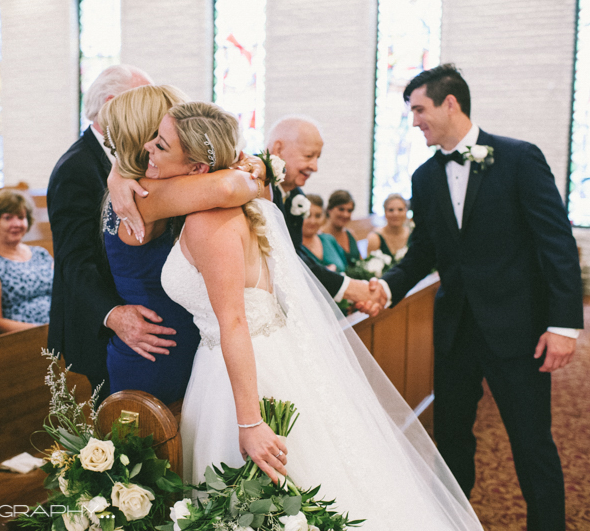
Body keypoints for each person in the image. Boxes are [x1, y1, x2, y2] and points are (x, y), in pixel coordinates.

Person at [154, 121, 483, 530]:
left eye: (160, 145)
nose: (148, 151)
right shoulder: (249, 199)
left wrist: (250, 422)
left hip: (237, 372)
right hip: (255, 357)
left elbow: (234, 321)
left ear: (197, 166)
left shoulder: (212, 220)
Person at [379, 64, 583, 531]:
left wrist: (563, 325)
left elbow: (556, 243)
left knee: (532, 444)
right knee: (451, 442)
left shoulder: (519, 158)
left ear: (450, 103)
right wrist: (388, 286)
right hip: (455, 333)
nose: (414, 121)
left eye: (419, 109)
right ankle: (451, 522)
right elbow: (423, 250)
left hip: (519, 331)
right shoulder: (424, 178)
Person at [99, 89, 264, 405]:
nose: (113, 150)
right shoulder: (144, 196)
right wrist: (258, 174)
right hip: (154, 358)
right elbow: (227, 186)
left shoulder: (151, 188)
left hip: (176, 349)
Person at [47, 64, 155, 398]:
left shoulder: (129, 158)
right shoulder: (77, 168)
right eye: (141, 104)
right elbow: (74, 259)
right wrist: (114, 315)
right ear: (111, 104)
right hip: (98, 328)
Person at [265, 117, 384, 311]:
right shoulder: (253, 187)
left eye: (317, 158)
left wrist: (350, 288)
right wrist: (350, 289)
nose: (315, 167)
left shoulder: (296, 195)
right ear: (278, 149)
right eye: (309, 156)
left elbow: (295, 252)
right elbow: (281, 257)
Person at [0, 189, 53, 334]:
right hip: (23, 337)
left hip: (57, 329)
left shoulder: (40, 253)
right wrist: (41, 331)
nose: (16, 224)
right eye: (8, 218)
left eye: (21, 217)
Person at [319, 190, 360, 272]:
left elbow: (360, 262)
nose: (346, 215)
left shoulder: (351, 234)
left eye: (349, 211)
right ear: (329, 209)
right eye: (341, 209)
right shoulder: (320, 237)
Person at [366, 193, 409, 260]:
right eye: (391, 210)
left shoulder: (413, 235)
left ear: (406, 212)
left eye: (400, 209)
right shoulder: (375, 238)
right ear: (385, 212)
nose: (395, 214)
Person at [299, 194, 335, 271]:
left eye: (318, 216)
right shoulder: (294, 245)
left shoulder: (328, 239)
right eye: (308, 215)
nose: (313, 221)